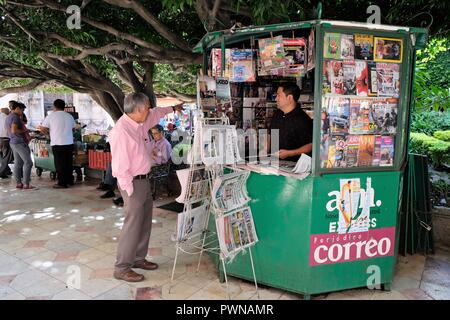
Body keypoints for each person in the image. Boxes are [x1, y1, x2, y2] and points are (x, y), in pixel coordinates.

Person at [109, 92, 182, 282]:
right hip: (132, 182)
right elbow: (120, 166)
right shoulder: (122, 131)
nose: (150, 110)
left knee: (144, 222)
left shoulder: (139, 124)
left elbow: (157, 113)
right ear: (139, 109)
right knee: (132, 225)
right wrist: (129, 191)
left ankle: (138, 259)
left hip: (143, 180)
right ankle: (122, 267)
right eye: (147, 107)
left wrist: (173, 108)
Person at [269, 83, 313, 162]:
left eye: (279, 95)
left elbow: (310, 145)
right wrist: (264, 149)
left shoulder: (303, 120)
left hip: (293, 166)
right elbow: (270, 134)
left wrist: (290, 153)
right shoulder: (277, 114)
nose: (276, 99)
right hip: (272, 163)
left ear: (289, 98)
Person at [39, 99, 76, 189]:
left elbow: (43, 128)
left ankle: (62, 183)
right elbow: (74, 129)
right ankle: (69, 181)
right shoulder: (69, 116)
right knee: (68, 163)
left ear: (54, 106)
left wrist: (48, 133)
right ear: (64, 107)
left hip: (57, 143)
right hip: (69, 142)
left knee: (60, 164)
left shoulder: (51, 116)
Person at [5, 102, 35, 189]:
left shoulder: (9, 117)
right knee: (28, 162)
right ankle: (26, 184)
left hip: (13, 142)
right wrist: (25, 131)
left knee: (18, 163)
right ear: (17, 108)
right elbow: (14, 130)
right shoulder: (15, 117)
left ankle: (19, 183)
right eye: (22, 110)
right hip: (19, 142)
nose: (22, 112)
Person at [0, 107, 13, 178]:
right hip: (5, 139)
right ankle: (1, 172)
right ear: (6, 112)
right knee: (6, 156)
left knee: (1, 155)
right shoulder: (8, 118)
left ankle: (7, 170)